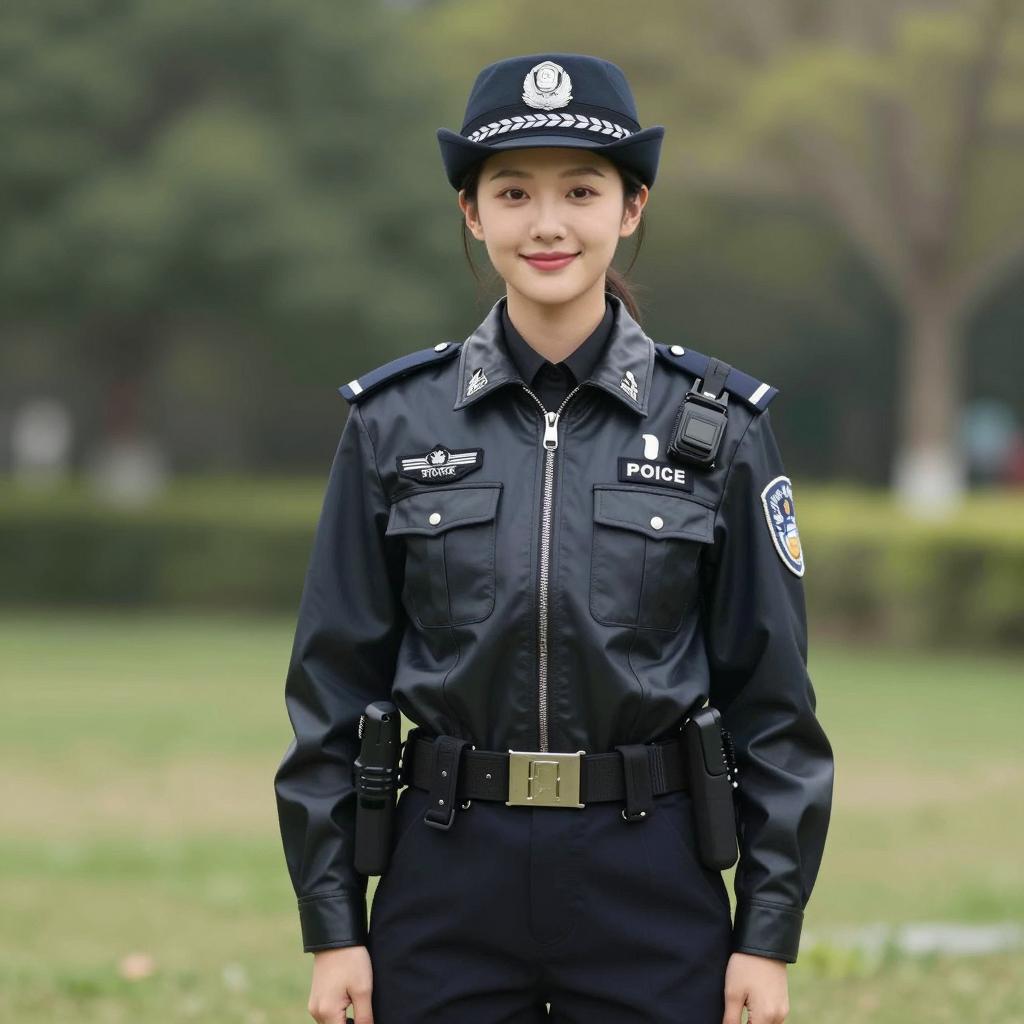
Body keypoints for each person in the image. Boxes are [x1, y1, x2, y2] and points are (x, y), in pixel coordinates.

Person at [274, 52, 834, 1024]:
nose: (545, 223)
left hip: (648, 874)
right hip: (444, 869)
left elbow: (773, 703)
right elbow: (332, 690)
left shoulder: (719, 425)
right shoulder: (394, 422)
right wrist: (333, 926)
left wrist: (765, 933)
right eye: (512, 191)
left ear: (630, 208)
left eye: (580, 189)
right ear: (470, 213)